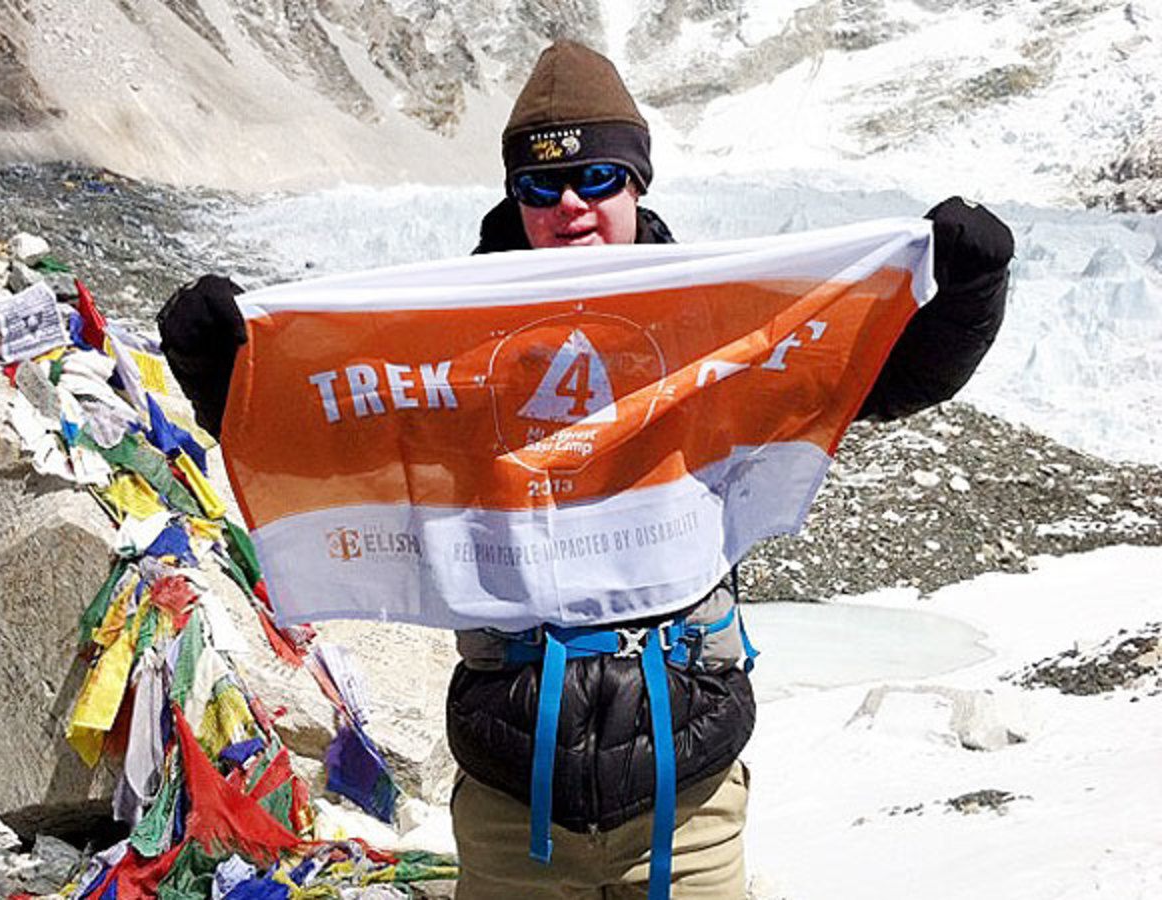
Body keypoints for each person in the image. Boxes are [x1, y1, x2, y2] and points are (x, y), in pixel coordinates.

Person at [158, 39, 1013, 900]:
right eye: (539, 186)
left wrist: (971, 291)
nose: (569, 205)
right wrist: (220, 371)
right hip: (509, 805)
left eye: (598, 178)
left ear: (639, 182)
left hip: (689, 806)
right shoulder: (444, 343)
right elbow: (316, 433)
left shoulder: (709, 320)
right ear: (514, 197)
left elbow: (881, 378)